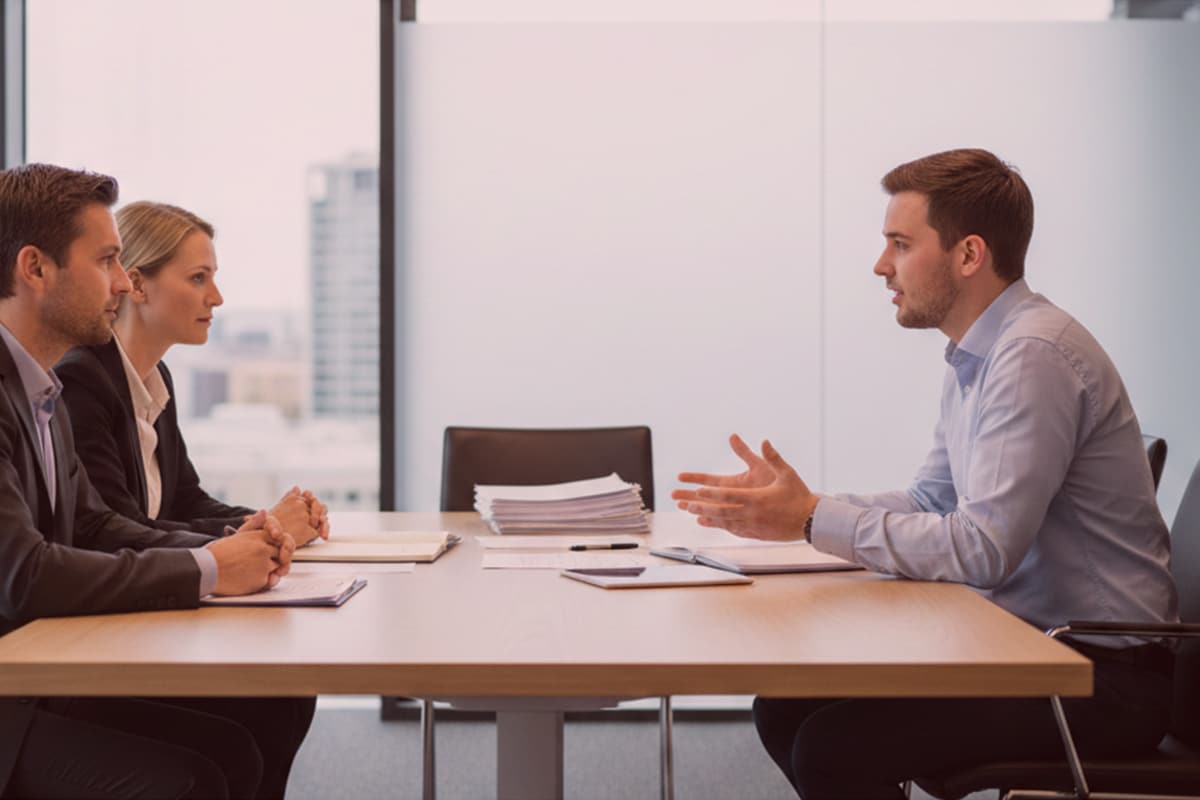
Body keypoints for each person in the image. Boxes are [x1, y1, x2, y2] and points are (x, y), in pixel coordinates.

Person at [673, 148, 1178, 800]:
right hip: (1026, 648)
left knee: (835, 747)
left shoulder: (1032, 356)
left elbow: (982, 549)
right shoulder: (979, 354)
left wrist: (809, 519)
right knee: (785, 706)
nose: (881, 266)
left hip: (1097, 676)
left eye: (901, 244)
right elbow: (930, 499)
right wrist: (799, 507)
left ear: (969, 255)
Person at [0, 163, 301, 800]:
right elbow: (24, 575)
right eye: (107, 260)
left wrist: (226, 549)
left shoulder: (39, 388)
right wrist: (209, 569)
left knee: (237, 743)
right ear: (35, 269)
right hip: (13, 693)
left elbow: (93, 523)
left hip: (34, 675)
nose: (120, 280)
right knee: (190, 778)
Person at [55, 200, 329, 545]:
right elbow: (118, 529)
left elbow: (185, 501)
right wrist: (265, 528)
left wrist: (272, 519)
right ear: (137, 285)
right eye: (198, 278)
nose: (217, 298)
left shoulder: (155, 377)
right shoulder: (81, 381)